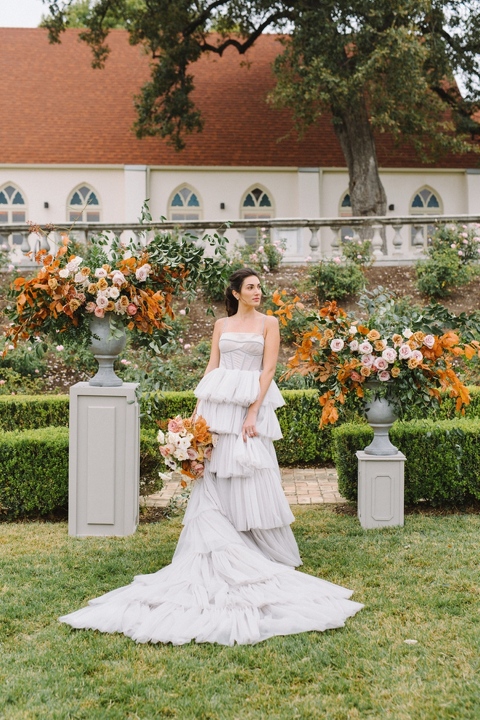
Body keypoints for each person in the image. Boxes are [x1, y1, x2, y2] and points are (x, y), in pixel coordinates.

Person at [59, 267, 363, 645]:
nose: (258, 291)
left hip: (248, 404)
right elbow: (212, 366)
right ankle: (221, 540)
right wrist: (195, 419)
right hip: (217, 402)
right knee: (215, 470)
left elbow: (268, 369)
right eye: (250, 287)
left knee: (250, 469)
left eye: (259, 287)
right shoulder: (221, 325)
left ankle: (253, 546)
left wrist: (253, 412)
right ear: (235, 292)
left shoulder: (269, 323)